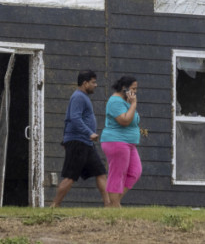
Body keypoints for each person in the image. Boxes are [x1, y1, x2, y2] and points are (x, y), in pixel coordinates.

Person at [51, 70, 110, 207]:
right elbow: (74, 118)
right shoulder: (78, 97)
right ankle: (54, 206)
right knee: (70, 177)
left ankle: (109, 205)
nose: (96, 85)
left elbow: (71, 119)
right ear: (85, 83)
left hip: (86, 143)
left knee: (100, 172)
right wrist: (89, 132)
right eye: (93, 82)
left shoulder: (83, 97)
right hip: (78, 142)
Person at [100, 75, 142, 208]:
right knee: (117, 174)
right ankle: (115, 205)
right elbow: (124, 120)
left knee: (135, 171)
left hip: (129, 143)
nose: (135, 92)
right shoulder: (115, 101)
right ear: (124, 88)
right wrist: (134, 104)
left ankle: (112, 204)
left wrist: (131, 104)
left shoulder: (126, 102)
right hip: (116, 142)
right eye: (133, 89)